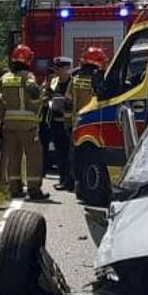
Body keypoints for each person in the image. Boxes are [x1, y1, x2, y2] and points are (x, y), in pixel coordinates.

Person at [0, 44, 48, 201]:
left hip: (9, 125)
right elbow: (34, 93)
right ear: (28, 60)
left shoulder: (5, 78)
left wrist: (1, 106)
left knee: (13, 157)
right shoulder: (28, 76)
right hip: (28, 125)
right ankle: (33, 190)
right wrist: (41, 97)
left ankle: (15, 189)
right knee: (34, 157)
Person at [59, 47, 104, 193]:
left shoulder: (75, 80)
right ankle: (86, 184)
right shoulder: (99, 81)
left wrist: (67, 124)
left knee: (74, 156)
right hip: (95, 124)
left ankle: (74, 183)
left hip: (76, 124)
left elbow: (67, 103)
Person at [41, 55, 74, 179]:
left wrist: (65, 101)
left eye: (60, 68)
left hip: (69, 123)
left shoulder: (73, 82)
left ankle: (69, 180)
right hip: (55, 121)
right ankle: (62, 178)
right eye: (56, 68)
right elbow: (45, 96)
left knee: (69, 152)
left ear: (67, 68)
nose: (58, 71)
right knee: (59, 152)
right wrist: (47, 99)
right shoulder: (54, 82)